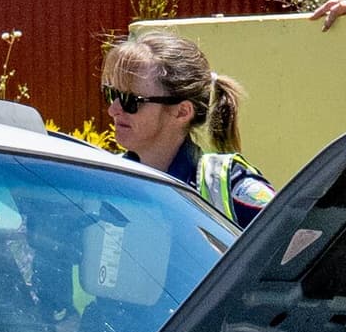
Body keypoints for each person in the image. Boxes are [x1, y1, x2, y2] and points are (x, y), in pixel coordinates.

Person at [100, 30, 272, 225]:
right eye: (110, 94)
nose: (113, 109)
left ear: (182, 112)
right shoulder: (104, 177)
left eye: (129, 100)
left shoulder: (230, 185)